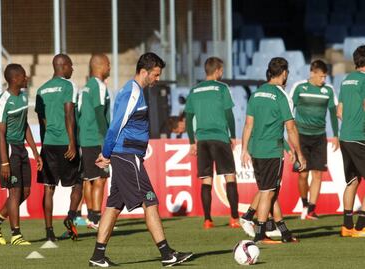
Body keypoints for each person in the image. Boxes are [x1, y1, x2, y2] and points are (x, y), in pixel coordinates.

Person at [89, 52, 193, 267]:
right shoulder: (132, 93)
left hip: (126, 155)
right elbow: (115, 126)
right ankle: (167, 254)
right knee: (150, 201)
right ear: (144, 71)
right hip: (127, 156)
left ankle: (98, 256)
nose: (157, 79)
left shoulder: (135, 91)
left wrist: (110, 153)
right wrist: (107, 153)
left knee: (114, 205)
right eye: (155, 75)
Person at [241, 57, 306, 243]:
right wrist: (299, 153)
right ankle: (260, 233)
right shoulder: (281, 95)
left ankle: (284, 232)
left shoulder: (257, 93)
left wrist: (244, 149)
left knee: (270, 190)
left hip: (255, 150)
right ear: (284, 73)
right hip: (271, 151)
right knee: (268, 192)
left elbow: (248, 125)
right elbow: (291, 127)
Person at [0, 64, 43, 245]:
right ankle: (16, 234)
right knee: (15, 191)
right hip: (6, 149)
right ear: (15, 79)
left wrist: (35, 151)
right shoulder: (2, 101)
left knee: (25, 191)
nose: (27, 78)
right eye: (24, 76)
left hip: (21, 148)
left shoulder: (24, 98)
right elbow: (0, 133)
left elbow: (24, 126)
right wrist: (4, 163)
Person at [185, 57, 240, 229]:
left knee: (206, 180)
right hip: (220, 137)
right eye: (221, 70)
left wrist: (192, 141)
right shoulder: (222, 88)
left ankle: (207, 220)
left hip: (202, 140)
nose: (222, 73)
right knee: (230, 176)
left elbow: (188, 117)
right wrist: (233, 135)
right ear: (217, 71)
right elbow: (229, 113)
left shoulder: (194, 90)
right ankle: (234, 218)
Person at [35, 54, 82, 241]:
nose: (73, 69)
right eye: (71, 65)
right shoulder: (69, 86)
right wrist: (72, 143)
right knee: (79, 182)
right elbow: (69, 114)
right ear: (63, 66)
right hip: (66, 142)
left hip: (48, 144)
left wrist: (43, 146)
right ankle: (71, 217)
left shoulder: (41, 90)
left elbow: (42, 121)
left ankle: (48, 232)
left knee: (49, 188)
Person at [289, 60, 339, 220]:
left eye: (325, 77)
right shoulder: (299, 87)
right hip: (301, 136)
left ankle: (311, 209)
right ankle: (304, 204)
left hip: (319, 137)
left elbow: (333, 113)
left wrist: (336, 135)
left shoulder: (328, 90)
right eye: (321, 76)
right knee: (303, 174)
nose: (323, 80)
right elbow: (289, 110)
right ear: (312, 73)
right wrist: (289, 134)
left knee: (318, 173)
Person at [77, 54, 111, 229]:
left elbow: (79, 114)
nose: (110, 68)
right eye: (108, 64)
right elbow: (100, 114)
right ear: (101, 65)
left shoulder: (84, 88)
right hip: (97, 139)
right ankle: (97, 219)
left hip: (85, 138)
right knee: (100, 179)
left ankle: (91, 217)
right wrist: (108, 140)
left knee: (89, 179)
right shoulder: (99, 86)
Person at [338, 45, 365, 237]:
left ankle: (347, 226)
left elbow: (339, 111)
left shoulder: (346, 80)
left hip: (344, 136)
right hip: (359, 136)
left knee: (353, 180)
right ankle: (361, 225)